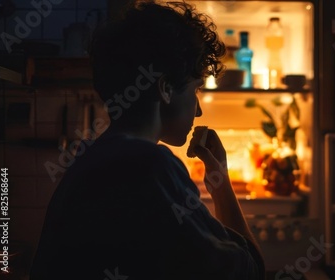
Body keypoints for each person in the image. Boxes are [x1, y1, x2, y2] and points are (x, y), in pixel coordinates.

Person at [29, 1, 265, 279]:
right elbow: (250, 272)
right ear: (165, 88)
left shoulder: (92, 157)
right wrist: (221, 183)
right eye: (195, 89)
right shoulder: (151, 166)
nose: (198, 109)